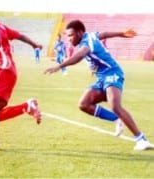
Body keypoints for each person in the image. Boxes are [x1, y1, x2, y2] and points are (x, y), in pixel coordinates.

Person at [44, 20, 151, 150]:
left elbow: (79, 55)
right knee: (84, 104)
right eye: (67, 36)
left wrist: (60, 66)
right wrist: (121, 33)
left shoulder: (86, 43)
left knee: (115, 106)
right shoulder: (91, 35)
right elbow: (105, 34)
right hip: (102, 77)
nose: (69, 39)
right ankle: (117, 119)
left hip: (112, 73)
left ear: (79, 33)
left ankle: (141, 139)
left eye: (71, 35)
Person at [0, 1, 43, 150]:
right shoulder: (2, 26)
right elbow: (20, 35)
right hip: (11, 73)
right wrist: (34, 44)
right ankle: (27, 106)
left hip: (1, 69)